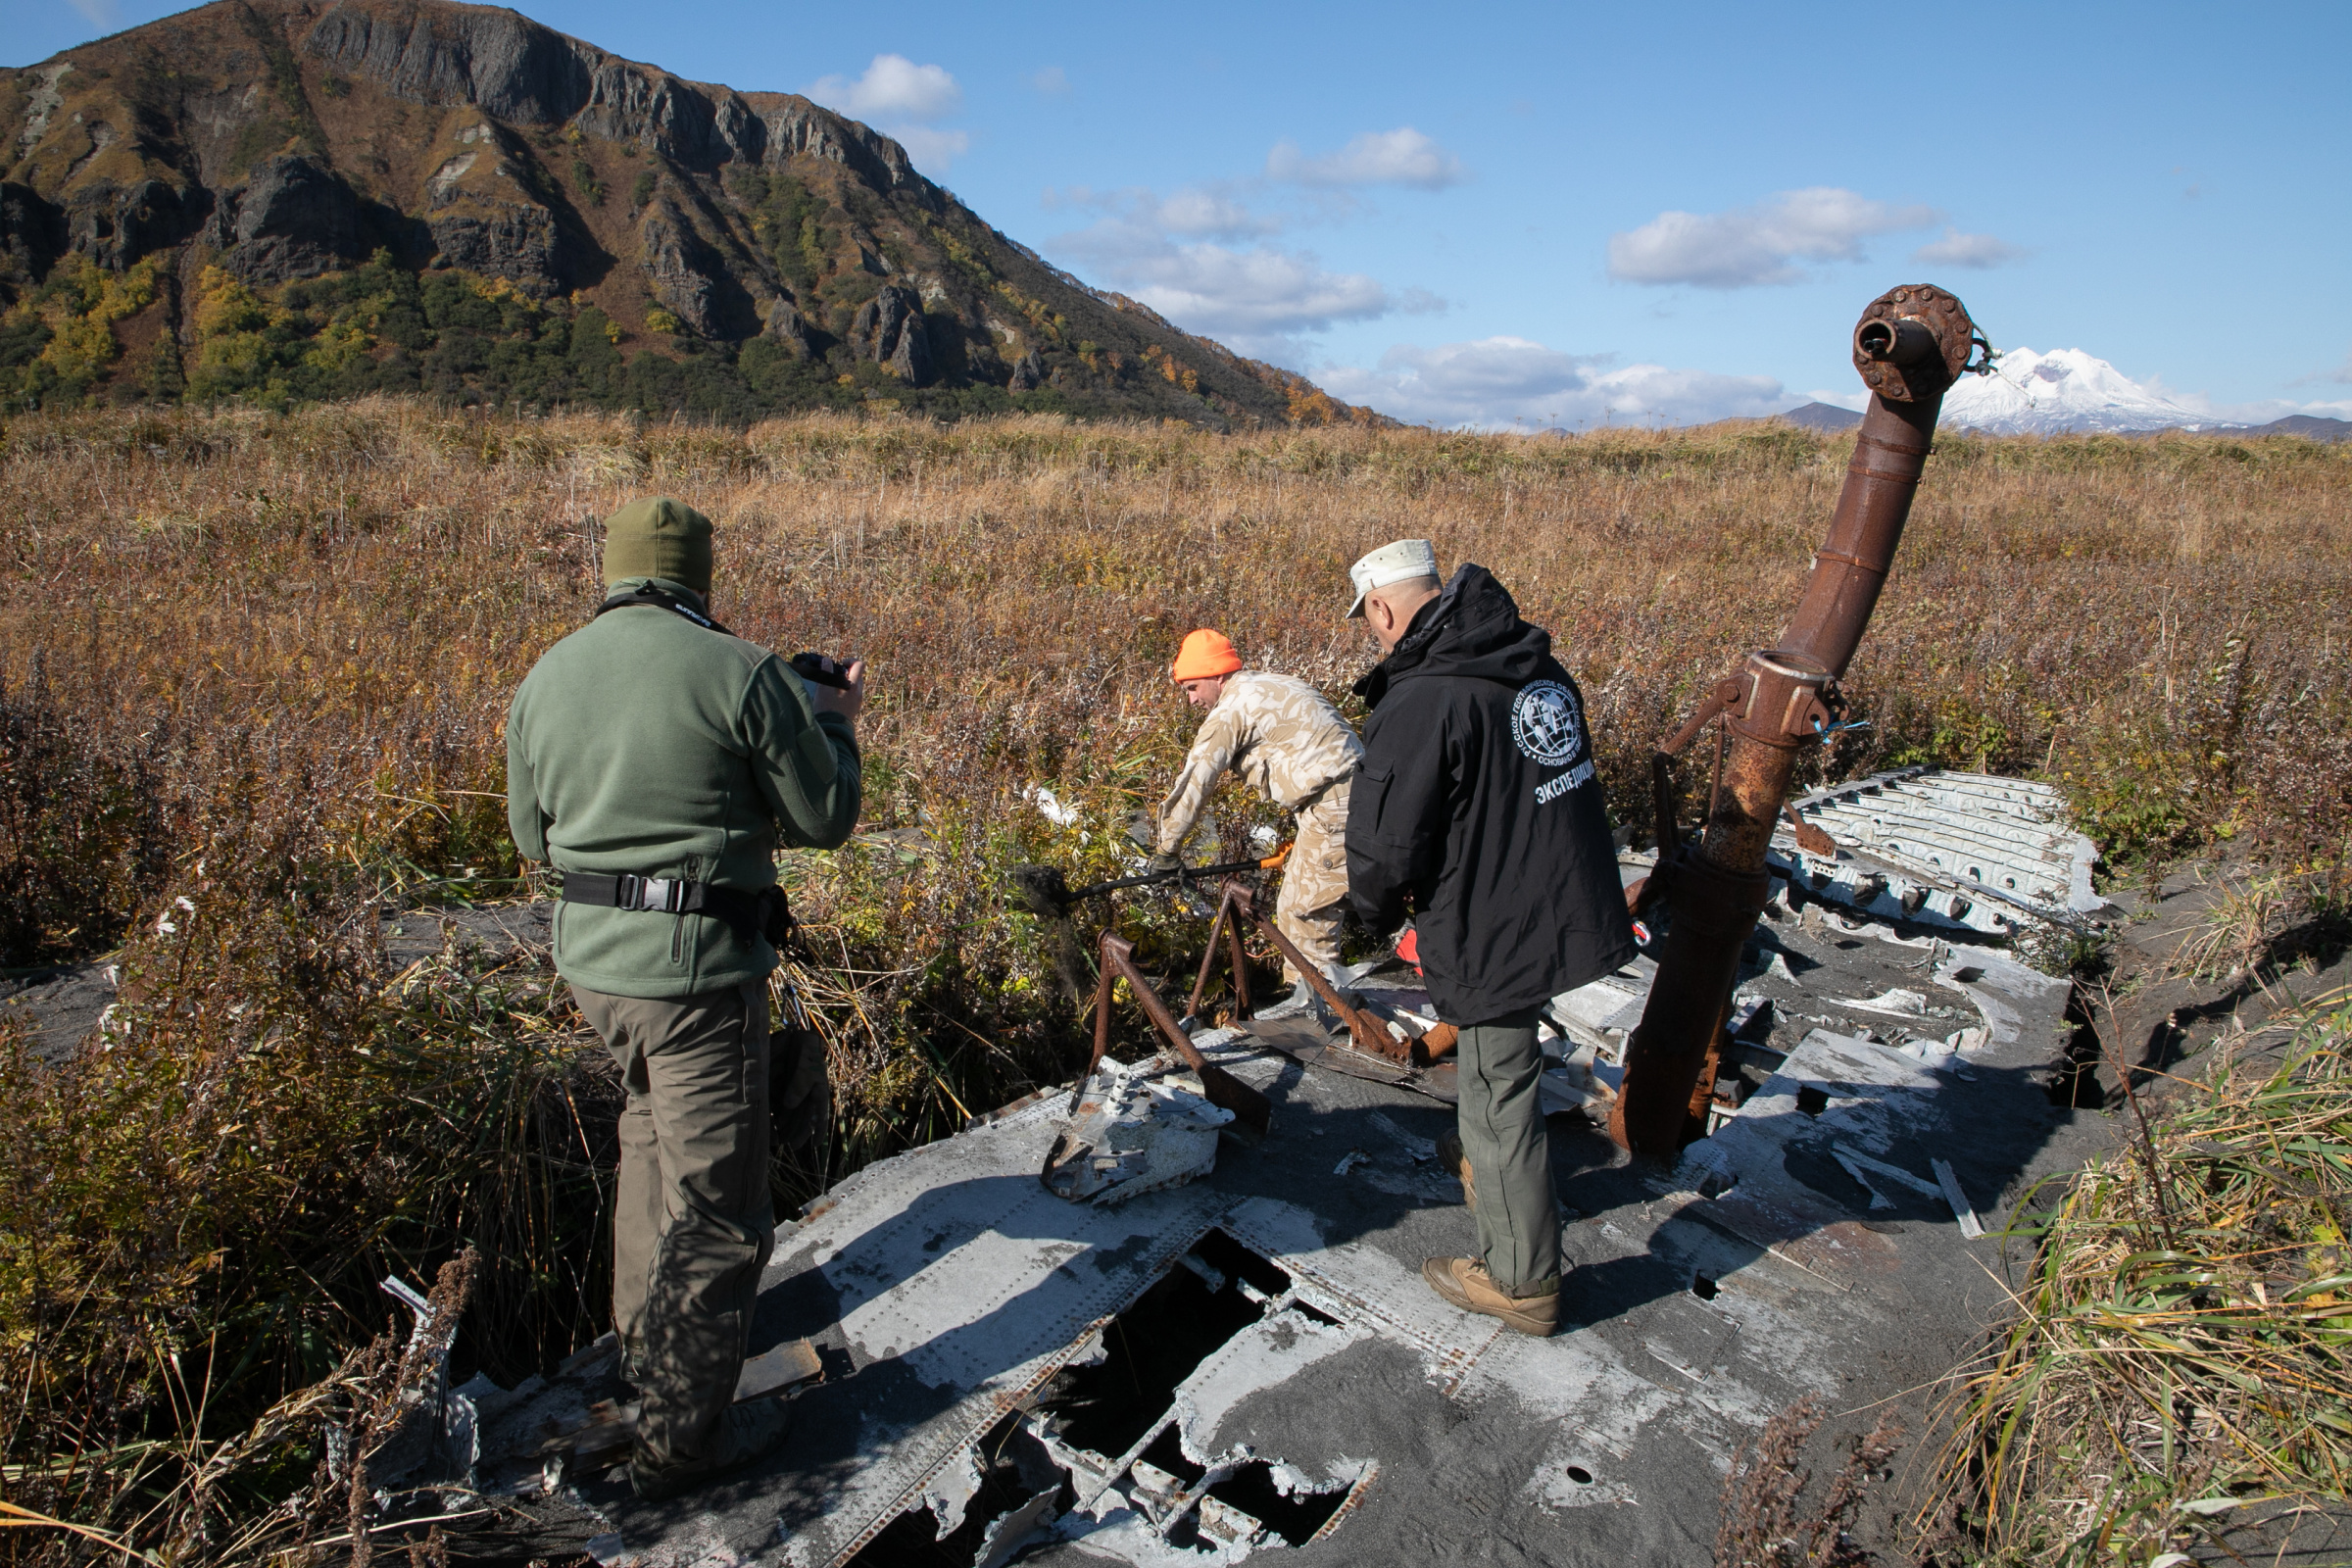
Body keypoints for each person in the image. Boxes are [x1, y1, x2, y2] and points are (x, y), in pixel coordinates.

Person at [506, 497, 863, 1498]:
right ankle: (681, 1444)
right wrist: (831, 720)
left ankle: (640, 1359)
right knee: (719, 1212)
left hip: (595, 973)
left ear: (615, 571)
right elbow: (825, 813)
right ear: (699, 576)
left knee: (649, 1141)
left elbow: (532, 840)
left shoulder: (547, 675)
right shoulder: (741, 672)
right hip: (696, 973)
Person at [1343, 540, 1636, 1337]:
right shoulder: (1532, 664)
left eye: (1369, 624)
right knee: (1492, 1062)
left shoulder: (1424, 699)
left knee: (1504, 1092)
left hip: (1494, 920)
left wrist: (1365, 915)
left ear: (1382, 608)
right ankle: (1484, 1160)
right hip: (1559, 900)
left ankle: (1520, 1281)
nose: (1374, 638)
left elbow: (1384, 846)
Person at [1150, 628, 1364, 1013]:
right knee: (1303, 903)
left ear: (1217, 675)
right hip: (1360, 798)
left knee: (1304, 911)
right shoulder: (1278, 683)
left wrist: (1167, 851)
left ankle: (1322, 1012)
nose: (1192, 699)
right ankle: (1317, 1000)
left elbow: (1195, 782)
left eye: (1193, 686)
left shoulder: (1232, 710)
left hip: (1334, 810)